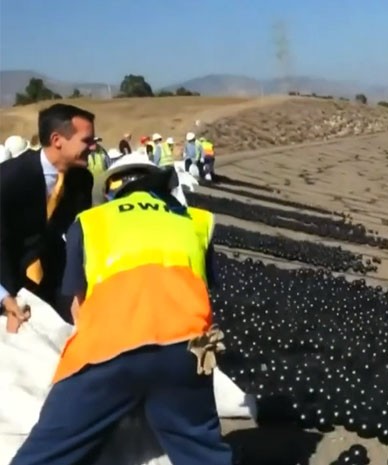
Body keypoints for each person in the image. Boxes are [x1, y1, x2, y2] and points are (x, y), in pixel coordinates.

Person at [9, 153, 233, 465]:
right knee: (199, 448)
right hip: (185, 349)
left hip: (107, 350)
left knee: (49, 451)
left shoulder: (89, 223)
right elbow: (203, 293)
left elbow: (78, 307)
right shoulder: (197, 220)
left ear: (111, 189)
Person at [0, 103, 94, 331]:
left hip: (54, 275)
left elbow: (79, 236)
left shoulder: (82, 180)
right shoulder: (9, 179)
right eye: (86, 140)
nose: (93, 147)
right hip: (7, 278)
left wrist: (78, 288)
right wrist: (5, 297)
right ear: (57, 140)